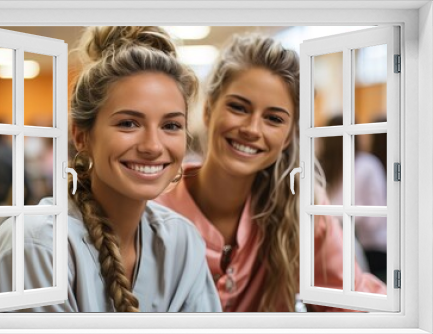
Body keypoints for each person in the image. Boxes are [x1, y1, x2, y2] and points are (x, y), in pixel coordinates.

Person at [0, 26, 221, 313]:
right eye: (128, 123)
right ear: (82, 136)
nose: (153, 146)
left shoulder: (182, 241)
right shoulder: (36, 248)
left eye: (171, 126)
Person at [156, 33, 386, 312]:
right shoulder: (152, 201)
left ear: (289, 136)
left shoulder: (298, 210)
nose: (252, 129)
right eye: (238, 108)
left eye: (274, 119)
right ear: (207, 110)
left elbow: (353, 302)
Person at [319, 115, 387, 282]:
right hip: (354, 245)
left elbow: (376, 217)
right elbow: (377, 214)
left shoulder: (363, 165)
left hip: (367, 247)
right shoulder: (366, 164)